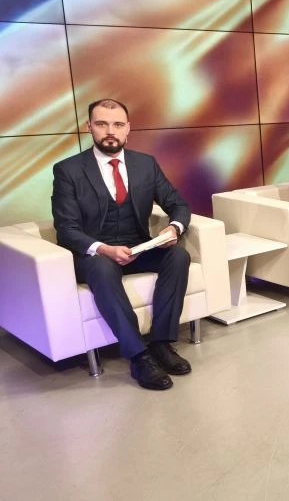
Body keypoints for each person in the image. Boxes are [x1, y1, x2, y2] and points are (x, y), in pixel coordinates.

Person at [52, 99, 192, 390]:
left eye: (117, 124)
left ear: (128, 128)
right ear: (89, 127)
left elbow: (177, 204)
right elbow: (66, 229)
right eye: (102, 124)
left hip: (137, 247)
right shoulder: (68, 170)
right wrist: (103, 248)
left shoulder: (145, 164)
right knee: (102, 268)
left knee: (178, 256)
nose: (110, 131)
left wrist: (174, 228)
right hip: (95, 254)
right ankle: (139, 357)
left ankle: (161, 343)